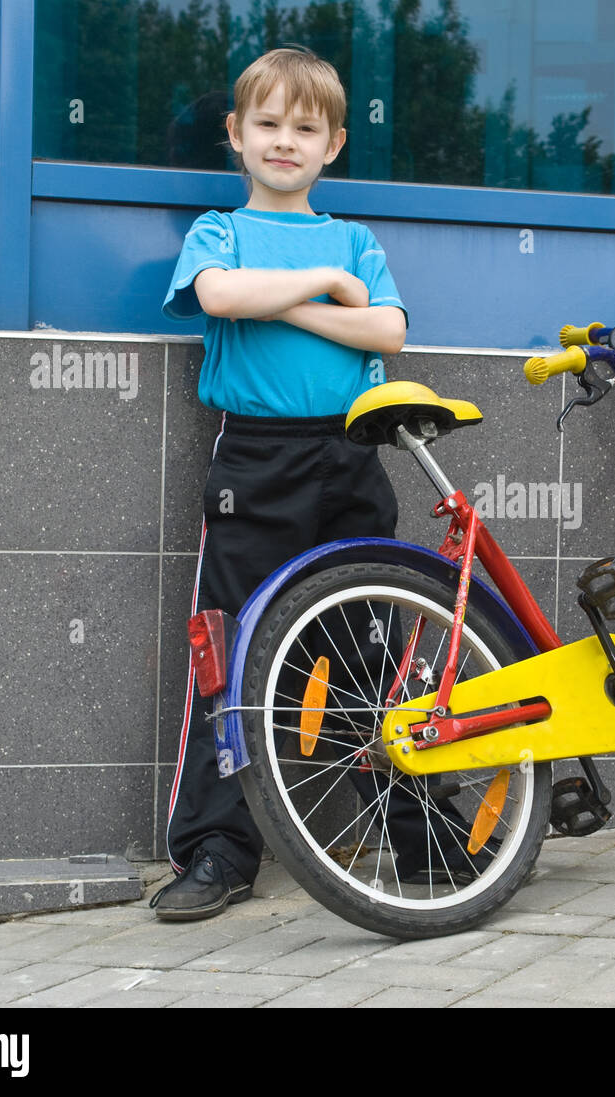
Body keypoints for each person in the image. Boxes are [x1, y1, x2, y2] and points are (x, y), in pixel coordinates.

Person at [152, 46, 411, 921]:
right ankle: (219, 849)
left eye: (306, 128)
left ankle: (415, 827)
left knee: (371, 650)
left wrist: (295, 302)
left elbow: (389, 331)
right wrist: (328, 291)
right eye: (267, 123)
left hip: (352, 454)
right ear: (236, 133)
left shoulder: (356, 242)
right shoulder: (219, 232)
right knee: (230, 652)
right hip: (255, 461)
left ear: (333, 144)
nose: (285, 141)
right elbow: (220, 297)